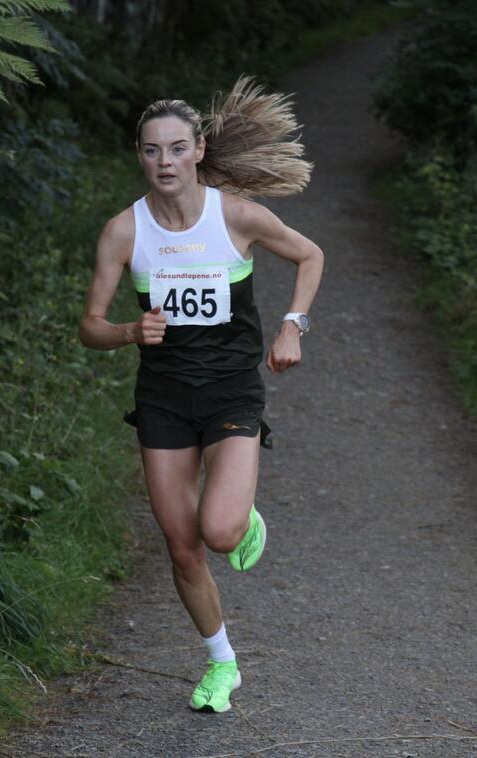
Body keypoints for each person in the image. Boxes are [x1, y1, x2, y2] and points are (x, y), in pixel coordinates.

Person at [78, 76, 324, 713]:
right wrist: (130, 330)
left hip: (231, 392)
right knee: (180, 542)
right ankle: (223, 664)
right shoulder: (122, 233)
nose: (165, 162)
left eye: (177, 148)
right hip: (162, 398)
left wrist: (293, 326)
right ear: (140, 156)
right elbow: (90, 326)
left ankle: (237, 511)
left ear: (199, 150)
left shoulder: (235, 215)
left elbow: (310, 255)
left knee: (218, 532)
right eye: (153, 150)